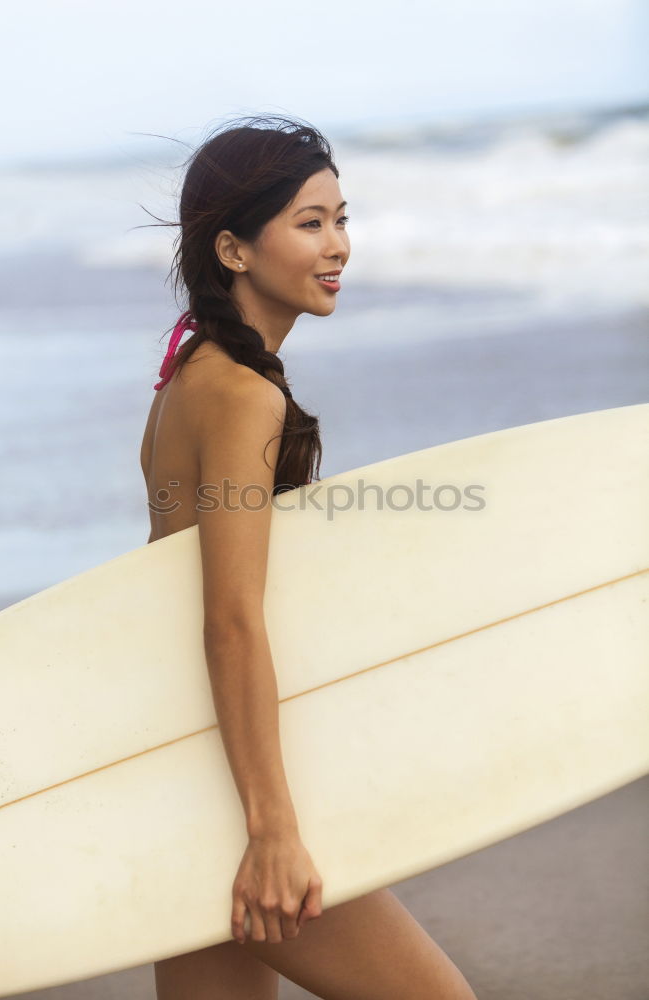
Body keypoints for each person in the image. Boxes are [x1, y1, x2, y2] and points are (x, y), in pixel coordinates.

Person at [140, 114, 478, 1000]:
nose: (339, 247)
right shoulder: (242, 395)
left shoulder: (190, 370)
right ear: (235, 249)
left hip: (181, 748)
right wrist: (270, 827)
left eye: (341, 218)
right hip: (227, 772)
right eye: (309, 222)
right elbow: (231, 618)